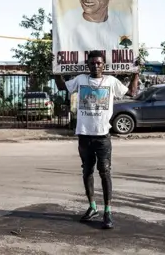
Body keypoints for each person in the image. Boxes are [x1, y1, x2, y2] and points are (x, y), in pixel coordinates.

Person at [55, 50, 138, 229]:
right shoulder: (81, 79)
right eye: (92, 63)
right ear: (88, 65)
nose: (96, 66)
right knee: (87, 172)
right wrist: (56, 70)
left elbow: (132, 92)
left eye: (99, 63)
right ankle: (92, 207)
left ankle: (108, 211)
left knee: (105, 172)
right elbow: (62, 87)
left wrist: (136, 73)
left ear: (104, 65)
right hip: (84, 135)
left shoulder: (111, 81)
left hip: (102, 137)